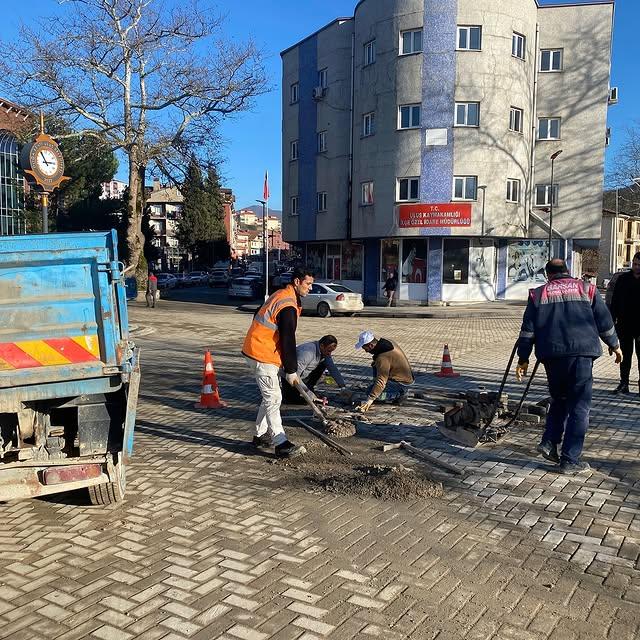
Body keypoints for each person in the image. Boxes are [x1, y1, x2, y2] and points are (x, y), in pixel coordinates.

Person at [516, 258, 622, 475]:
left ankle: (549, 442)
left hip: (552, 355)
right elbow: (604, 320)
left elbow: (527, 331)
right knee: (579, 408)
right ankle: (570, 460)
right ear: (568, 271)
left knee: (560, 399)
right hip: (581, 354)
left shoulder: (537, 294)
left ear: (548, 275)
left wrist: (523, 358)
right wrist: (615, 345)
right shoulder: (586, 288)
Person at [242, 267, 314, 458]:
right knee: (274, 398)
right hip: (261, 353)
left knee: (271, 397)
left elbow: (259, 315)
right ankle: (280, 442)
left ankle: (259, 435)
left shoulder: (282, 295)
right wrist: (291, 370)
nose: (310, 288)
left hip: (260, 350)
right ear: (297, 282)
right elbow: (288, 339)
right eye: (308, 283)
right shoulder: (287, 304)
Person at [354, 331, 414, 413]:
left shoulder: (382, 357)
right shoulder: (387, 343)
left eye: (365, 348)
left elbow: (381, 380)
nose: (366, 351)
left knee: (372, 394)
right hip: (401, 377)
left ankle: (400, 393)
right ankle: (393, 390)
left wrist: (370, 399)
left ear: (371, 345)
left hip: (401, 382)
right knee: (375, 367)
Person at [281, 335, 347, 404]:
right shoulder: (307, 353)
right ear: (322, 346)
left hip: (302, 377)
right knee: (295, 400)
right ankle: (288, 394)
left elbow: (332, 368)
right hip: (288, 378)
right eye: (328, 350)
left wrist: (343, 387)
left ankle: (309, 387)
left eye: (331, 351)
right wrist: (306, 391)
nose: (329, 353)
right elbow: (295, 376)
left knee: (324, 364)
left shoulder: (324, 353)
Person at [609, 252, 640, 394]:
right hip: (624, 324)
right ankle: (624, 383)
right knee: (625, 356)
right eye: (634, 264)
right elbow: (614, 301)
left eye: (639, 265)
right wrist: (612, 320)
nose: (636, 267)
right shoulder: (623, 279)